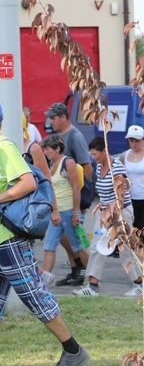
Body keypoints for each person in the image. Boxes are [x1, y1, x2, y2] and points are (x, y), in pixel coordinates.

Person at [0, 97, 89, 366]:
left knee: (33, 294)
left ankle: (73, 350)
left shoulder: (4, 147)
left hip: (9, 238)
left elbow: (29, 183)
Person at [73, 136, 142, 298]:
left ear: (104, 152)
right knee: (97, 247)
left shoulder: (117, 168)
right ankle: (92, 286)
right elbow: (103, 195)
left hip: (120, 213)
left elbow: (121, 197)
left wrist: (112, 217)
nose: (93, 157)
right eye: (92, 154)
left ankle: (140, 283)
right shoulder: (98, 168)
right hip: (105, 214)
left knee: (125, 250)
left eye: (95, 154)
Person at [45, 103, 91, 287]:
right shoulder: (58, 137)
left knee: (76, 241)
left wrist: (82, 201)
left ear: (64, 117)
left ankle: (89, 275)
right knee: (62, 240)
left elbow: (86, 167)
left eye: (53, 118)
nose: (50, 121)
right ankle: (76, 270)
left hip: (73, 201)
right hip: (60, 203)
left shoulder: (74, 136)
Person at [119, 125, 144, 231]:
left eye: (137, 141)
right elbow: (118, 176)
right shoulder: (124, 155)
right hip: (128, 198)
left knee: (141, 230)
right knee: (129, 229)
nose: (134, 144)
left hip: (142, 198)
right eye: (131, 140)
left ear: (143, 140)